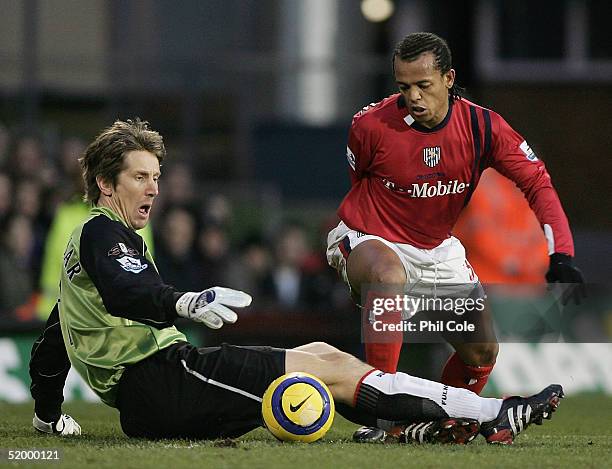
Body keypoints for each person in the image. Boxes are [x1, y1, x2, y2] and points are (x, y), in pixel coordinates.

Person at [29, 118, 563, 445]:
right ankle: (493, 411)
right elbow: (131, 296)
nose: (153, 189)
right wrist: (185, 301)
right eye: (140, 178)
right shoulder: (103, 233)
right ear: (104, 182)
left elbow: (54, 340)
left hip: (157, 393)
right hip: (164, 381)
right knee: (328, 365)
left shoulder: (95, 246)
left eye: (157, 178)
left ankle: (420, 421)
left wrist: (47, 418)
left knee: (322, 358)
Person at [326, 32, 584, 441]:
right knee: (387, 274)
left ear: (449, 78)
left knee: (482, 353)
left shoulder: (483, 127)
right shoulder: (369, 125)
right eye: (403, 86)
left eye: (423, 85)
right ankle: (383, 420)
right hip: (369, 237)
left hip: (436, 251)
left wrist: (562, 254)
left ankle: (449, 420)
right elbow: (358, 185)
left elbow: (537, 182)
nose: (412, 96)